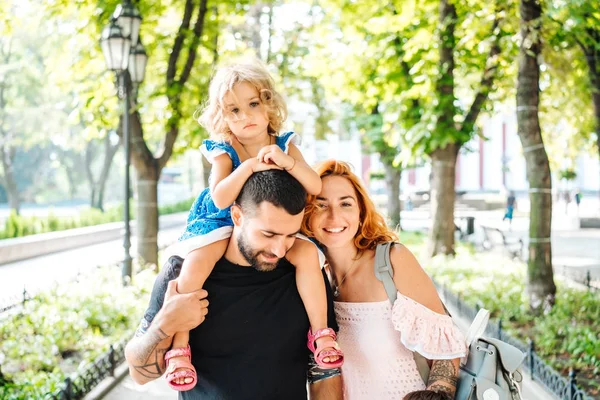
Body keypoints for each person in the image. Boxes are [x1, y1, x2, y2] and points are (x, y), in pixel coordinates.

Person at [163, 60, 342, 390]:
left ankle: (321, 334)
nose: (245, 117)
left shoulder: (285, 142)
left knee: (306, 257)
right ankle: (179, 348)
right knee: (197, 262)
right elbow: (219, 197)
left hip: (274, 225)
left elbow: (314, 186)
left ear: (268, 103)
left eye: (252, 105)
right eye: (233, 110)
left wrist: (288, 162)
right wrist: (246, 168)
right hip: (224, 220)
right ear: (223, 115)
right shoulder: (224, 148)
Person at [124, 169, 343, 399]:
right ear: (237, 216)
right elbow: (140, 375)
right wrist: (166, 324)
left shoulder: (306, 276)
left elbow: (324, 372)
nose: (280, 249)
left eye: (290, 236)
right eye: (268, 234)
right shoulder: (185, 274)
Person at [301, 160, 467, 400]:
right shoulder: (313, 280)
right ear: (305, 214)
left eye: (345, 203)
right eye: (320, 205)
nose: (334, 216)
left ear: (360, 212)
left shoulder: (392, 260)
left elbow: (447, 346)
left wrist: (437, 394)